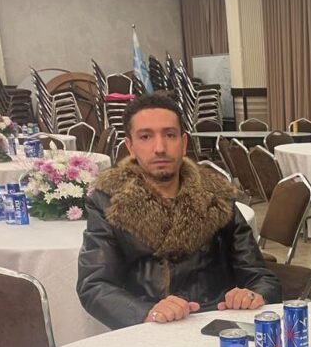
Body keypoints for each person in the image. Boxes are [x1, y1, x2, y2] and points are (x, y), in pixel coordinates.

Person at [78, 93, 281, 328]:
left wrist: (254, 295)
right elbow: (94, 284)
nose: (160, 148)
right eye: (145, 136)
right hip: (147, 329)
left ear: (184, 143)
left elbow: (260, 276)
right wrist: (146, 312)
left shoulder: (218, 197)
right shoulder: (107, 201)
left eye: (170, 135)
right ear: (130, 146)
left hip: (216, 322)